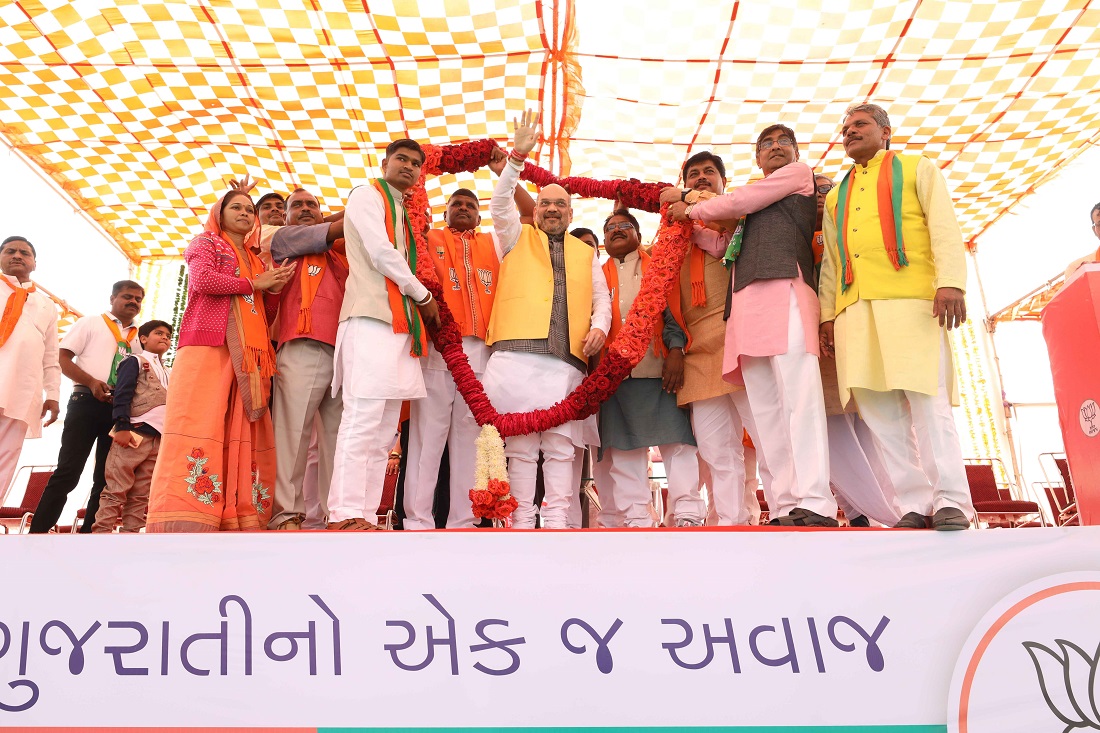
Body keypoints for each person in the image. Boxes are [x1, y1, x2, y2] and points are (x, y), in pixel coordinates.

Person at [668, 125, 836, 527]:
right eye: (766, 145)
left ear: (795, 154)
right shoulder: (747, 213)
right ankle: (784, 504)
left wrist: (689, 203)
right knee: (768, 413)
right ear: (757, 159)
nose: (775, 148)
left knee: (800, 401)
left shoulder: (795, 177)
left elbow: (736, 201)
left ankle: (815, 500)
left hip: (785, 293)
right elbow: (723, 246)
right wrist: (680, 224)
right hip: (744, 307)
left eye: (783, 143)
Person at [819, 102, 974, 530]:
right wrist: (827, 318)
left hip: (912, 302)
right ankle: (915, 503)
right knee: (880, 412)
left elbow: (944, 225)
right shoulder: (837, 194)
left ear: (885, 131)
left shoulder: (917, 167)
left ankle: (952, 502)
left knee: (927, 401)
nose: (849, 132)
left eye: (860, 125)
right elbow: (831, 262)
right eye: (845, 128)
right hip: (855, 311)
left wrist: (951, 282)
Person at [483, 109, 611, 529]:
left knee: (560, 447)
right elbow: (501, 202)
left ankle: (556, 521)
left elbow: (601, 299)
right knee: (519, 447)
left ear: (571, 215)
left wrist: (599, 328)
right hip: (516, 356)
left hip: (565, 361)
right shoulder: (514, 236)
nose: (552, 209)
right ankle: (519, 523)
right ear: (535, 211)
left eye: (561, 204)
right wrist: (516, 159)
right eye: (546, 203)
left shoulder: (586, 252)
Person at [145, 190, 296, 532]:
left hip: (247, 357)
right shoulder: (206, 243)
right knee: (200, 422)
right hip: (207, 346)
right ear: (219, 213)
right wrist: (254, 282)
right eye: (236, 208)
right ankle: (186, 515)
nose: (245, 214)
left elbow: (263, 311)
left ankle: (236, 514)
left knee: (238, 430)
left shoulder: (257, 259)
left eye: (248, 210)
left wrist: (271, 290)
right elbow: (202, 281)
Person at [328, 139, 440, 531]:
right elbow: (380, 252)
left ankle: (368, 514)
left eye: (415, 164)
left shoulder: (403, 211)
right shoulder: (365, 195)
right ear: (385, 162)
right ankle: (344, 513)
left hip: (398, 328)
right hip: (371, 319)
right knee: (362, 419)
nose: (408, 167)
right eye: (402, 160)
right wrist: (423, 295)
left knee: (384, 429)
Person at [662, 151, 765, 526]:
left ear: (724, 182)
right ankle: (729, 523)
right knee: (716, 449)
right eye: (693, 174)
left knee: (766, 438)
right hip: (697, 355)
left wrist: (691, 202)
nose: (701, 178)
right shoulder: (672, 236)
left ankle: (789, 511)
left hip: (740, 341)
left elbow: (727, 228)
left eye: (709, 173)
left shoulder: (738, 217)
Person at [403, 184, 511, 530]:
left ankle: (463, 522)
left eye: (469, 205)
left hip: (480, 351)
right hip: (438, 349)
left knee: (469, 440)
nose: (463, 208)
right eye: (456, 204)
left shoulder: (493, 243)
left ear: (479, 215)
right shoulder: (429, 238)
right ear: (445, 211)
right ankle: (417, 521)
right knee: (427, 438)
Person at [593, 209, 703, 527]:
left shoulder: (658, 266)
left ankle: (686, 512)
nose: (616, 230)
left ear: (639, 236)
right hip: (614, 376)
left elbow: (673, 312)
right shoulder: (598, 275)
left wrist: (676, 351)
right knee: (624, 449)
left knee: (678, 442)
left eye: (624, 226)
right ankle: (636, 517)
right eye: (610, 228)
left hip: (658, 369)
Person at [813, 175, 899, 527]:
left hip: (861, 337)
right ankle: (859, 512)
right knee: (833, 430)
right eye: (814, 190)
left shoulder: (857, 232)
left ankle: (888, 509)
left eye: (828, 189)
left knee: (871, 428)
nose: (821, 196)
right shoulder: (792, 237)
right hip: (820, 344)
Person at [29, 280, 144, 533]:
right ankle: (37, 533)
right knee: (69, 470)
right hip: (86, 402)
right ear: (112, 298)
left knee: (106, 478)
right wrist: (91, 382)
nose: (132, 302)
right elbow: (62, 357)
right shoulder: (90, 322)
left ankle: (91, 535)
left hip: (120, 411)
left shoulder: (138, 339)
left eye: (138, 299)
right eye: (127, 296)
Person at [266, 188, 347, 530]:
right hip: (302, 345)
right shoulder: (282, 241)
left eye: (311, 205)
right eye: (296, 205)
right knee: (292, 434)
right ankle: (286, 514)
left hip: (345, 351)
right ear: (284, 217)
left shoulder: (340, 253)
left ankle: (338, 514)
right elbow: (330, 229)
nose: (304, 209)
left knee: (340, 440)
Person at [92, 320, 172, 532]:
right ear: (143, 339)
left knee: (142, 492)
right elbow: (123, 393)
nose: (165, 337)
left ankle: (132, 534)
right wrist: (122, 426)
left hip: (158, 438)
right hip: (134, 432)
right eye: (159, 333)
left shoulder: (168, 370)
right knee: (116, 487)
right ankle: (100, 533)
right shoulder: (134, 361)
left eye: (168, 335)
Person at [0, 236, 60, 499]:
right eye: (10, 251)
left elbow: (51, 355)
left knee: (7, 455)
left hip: (23, 391)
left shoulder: (47, 305)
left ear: (34, 263)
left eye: (25, 253)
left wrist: (54, 395)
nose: (17, 255)